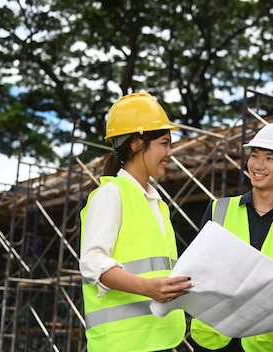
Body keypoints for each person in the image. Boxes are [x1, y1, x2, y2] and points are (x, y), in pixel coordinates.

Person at [188, 122, 273, 352]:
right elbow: (193, 272)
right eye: (254, 156)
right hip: (211, 341)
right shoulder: (218, 210)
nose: (257, 165)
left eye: (269, 158)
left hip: (263, 346)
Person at [79, 92, 193, 352]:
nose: (170, 153)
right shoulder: (111, 193)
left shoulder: (155, 202)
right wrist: (148, 288)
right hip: (121, 343)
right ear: (137, 144)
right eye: (164, 143)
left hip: (157, 339)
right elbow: (92, 263)